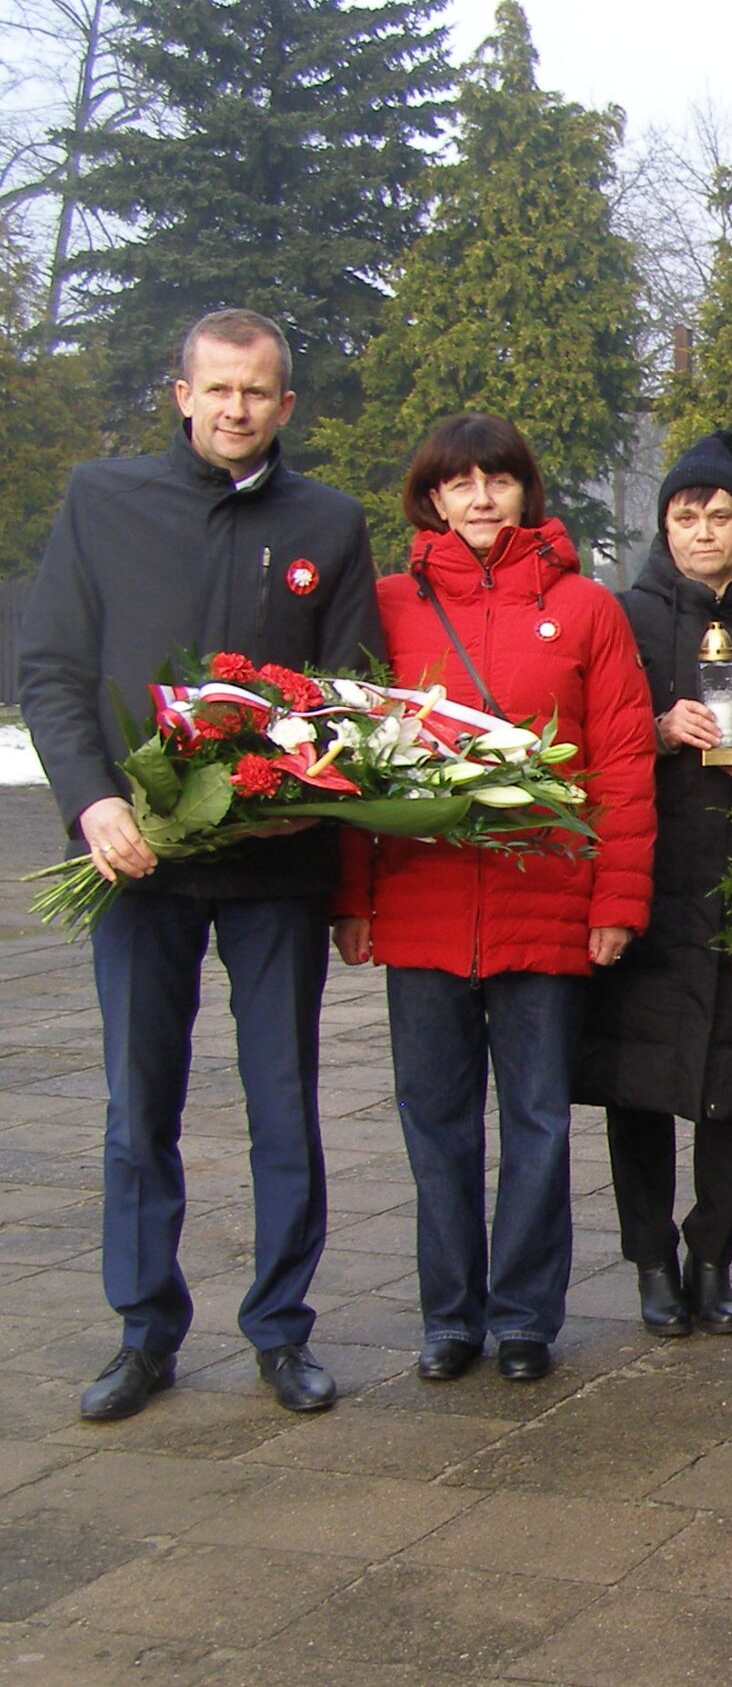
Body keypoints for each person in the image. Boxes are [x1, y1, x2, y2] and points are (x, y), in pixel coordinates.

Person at [21, 309, 385, 1421]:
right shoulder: (102, 500)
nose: (236, 409)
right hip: (141, 863)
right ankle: (145, 1333)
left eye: (257, 391)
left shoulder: (329, 522)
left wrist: (308, 808)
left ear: (286, 405)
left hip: (276, 868)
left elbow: (350, 699)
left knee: (284, 1107)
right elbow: (52, 670)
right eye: (217, 389)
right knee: (140, 1109)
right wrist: (92, 803)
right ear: (182, 395)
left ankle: (281, 1331)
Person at [333, 415, 657, 1385]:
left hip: (544, 903)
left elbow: (623, 763)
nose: (480, 497)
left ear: (526, 490)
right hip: (423, 905)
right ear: (431, 498)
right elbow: (347, 759)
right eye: (459, 482)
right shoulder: (388, 606)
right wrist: (352, 897)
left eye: (499, 479)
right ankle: (450, 1317)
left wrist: (616, 900)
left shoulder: (587, 609)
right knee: (434, 1124)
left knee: (538, 1123)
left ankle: (523, 1319)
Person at [575, 431, 732, 1338]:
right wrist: (654, 725)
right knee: (638, 1083)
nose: (703, 531)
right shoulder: (619, 618)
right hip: (648, 876)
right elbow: (584, 735)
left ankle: (714, 1259)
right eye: (685, 516)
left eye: (719, 515)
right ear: (663, 526)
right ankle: (650, 1262)